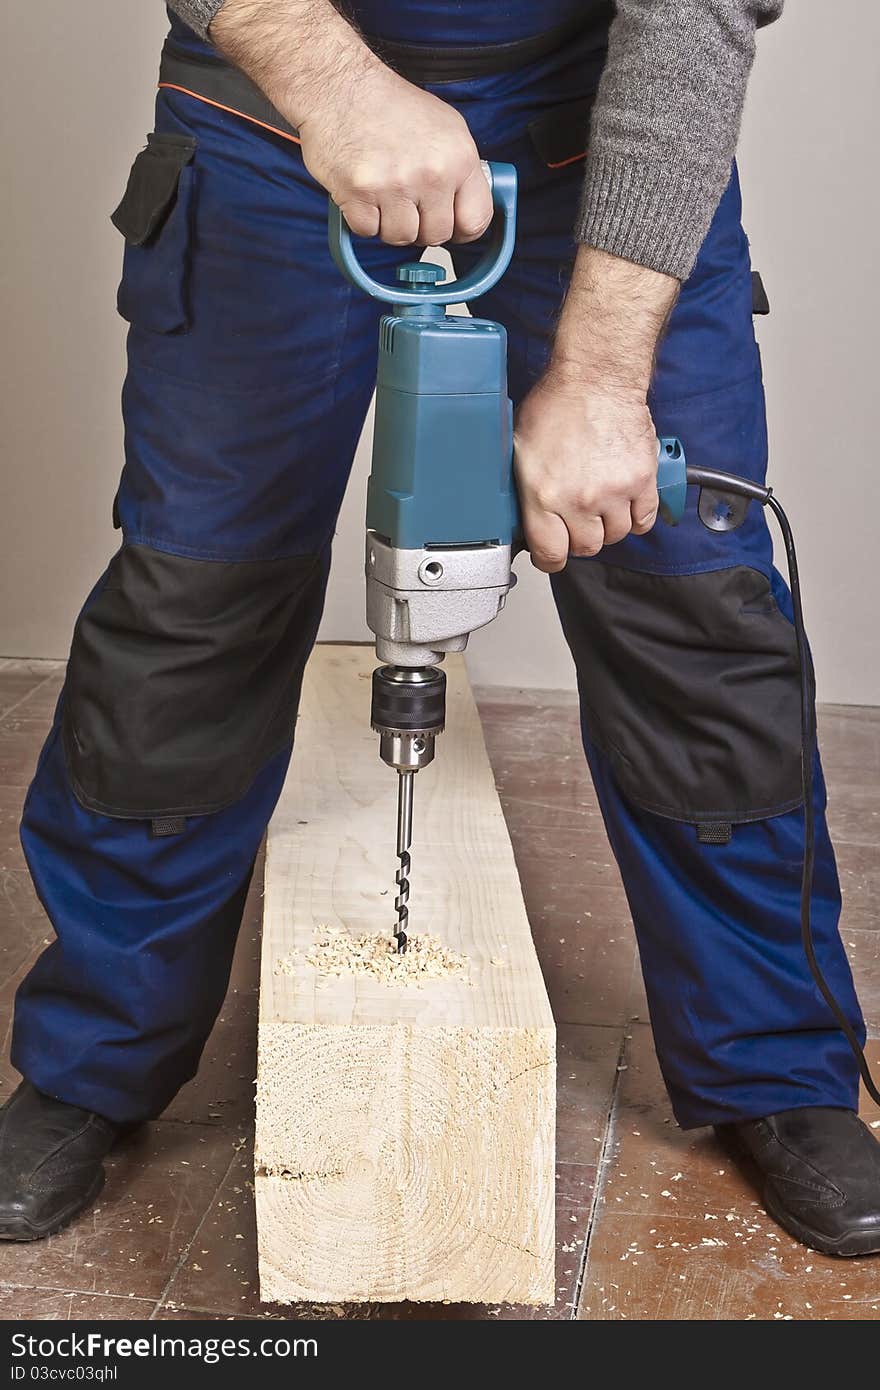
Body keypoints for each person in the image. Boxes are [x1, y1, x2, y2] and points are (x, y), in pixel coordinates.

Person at [1, 0, 878, 1260]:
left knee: (697, 609)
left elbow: (693, 13)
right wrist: (333, 83)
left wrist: (599, 376)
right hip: (267, 114)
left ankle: (778, 1062)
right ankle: (93, 1057)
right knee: (191, 605)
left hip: (601, 139)